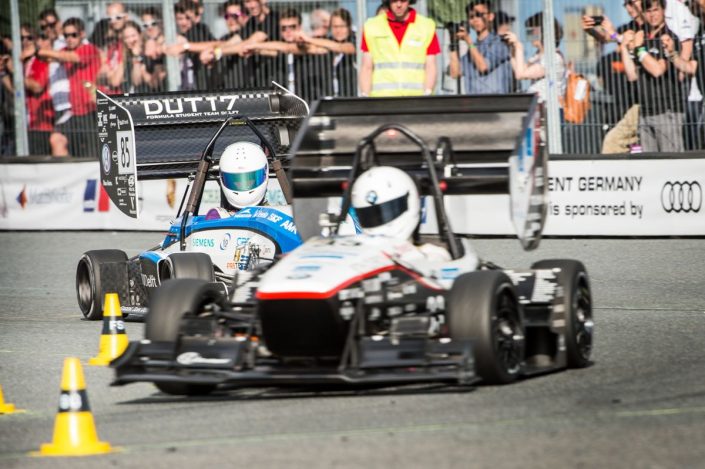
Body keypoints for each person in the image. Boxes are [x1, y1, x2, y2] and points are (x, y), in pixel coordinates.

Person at [350, 166, 453, 264]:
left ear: (410, 202)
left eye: (388, 210)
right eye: (368, 215)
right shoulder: (354, 250)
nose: (377, 219)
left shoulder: (434, 255)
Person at [621, 0, 685, 152]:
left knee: (671, 161)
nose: (652, 15)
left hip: (667, 111)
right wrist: (624, 46)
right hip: (645, 111)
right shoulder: (642, 37)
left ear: (663, 10)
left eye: (656, 10)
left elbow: (657, 70)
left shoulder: (669, 37)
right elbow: (632, 75)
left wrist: (639, 49)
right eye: (648, 11)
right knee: (649, 162)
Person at [37, 17, 101, 158]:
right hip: (74, 111)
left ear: (82, 34)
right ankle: (67, 172)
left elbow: (72, 57)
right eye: (66, 35)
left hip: (92, 111)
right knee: (56, 139)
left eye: (74, 35)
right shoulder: (64, 50)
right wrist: (38, 51)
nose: (69, 39)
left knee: (92, 156)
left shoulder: (89, 49)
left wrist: (43, 51)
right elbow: (49, 57)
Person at [359, 0, 441, 97]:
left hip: (416, 99)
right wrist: (365, 97)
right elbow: (367, 67)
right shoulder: (372, 27)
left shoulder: (426, 26)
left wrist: (427, 93)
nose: (398, 5)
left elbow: (430, 66)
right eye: (394, 0)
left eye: (403, 0)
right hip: (382, 98)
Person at [449, 0, 512, 95]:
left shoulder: (499, 42)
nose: (475, 19)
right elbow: (455, 73)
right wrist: (453, 44)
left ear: (491, 16)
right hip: (474, 102)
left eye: (479, 15)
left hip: (496, 101)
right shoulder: (472, 49)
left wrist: (468, 40)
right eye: (471, 17)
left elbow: (483, 67)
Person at [503, 12, 565, 104]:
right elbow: (519, 70)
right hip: (539, 106)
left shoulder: (553, 58)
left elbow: (520, 74)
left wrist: (519, 46)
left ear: (543, 32)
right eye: (528, 30)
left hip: (549, 109)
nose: (529, 34)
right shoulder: (537, 55)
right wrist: (512, 50)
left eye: (532, 30)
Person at [297, 8, 357, 97]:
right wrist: (301, 42)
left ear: (349, 26)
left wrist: (308, 39)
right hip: (329, 98)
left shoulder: (354, 41)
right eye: (335, 27)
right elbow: (310, 49)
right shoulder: (327, 42)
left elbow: (341, 47)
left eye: (342, 26)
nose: (338, 30)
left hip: (351, 98)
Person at [206, 141, 270, 218]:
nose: (243, 185)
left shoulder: (274, 215)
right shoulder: (218, 216)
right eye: (236, 182)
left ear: (265, 173)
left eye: (250, 181)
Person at [23, 26, 54, 155]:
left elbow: (37, 87)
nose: (40, 42)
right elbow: (15, 90)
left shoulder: (48, 61)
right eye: (22, 38)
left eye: (44, 38)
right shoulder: (31, 61)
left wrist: (17, 75)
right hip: (29, 122)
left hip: (45, 124)